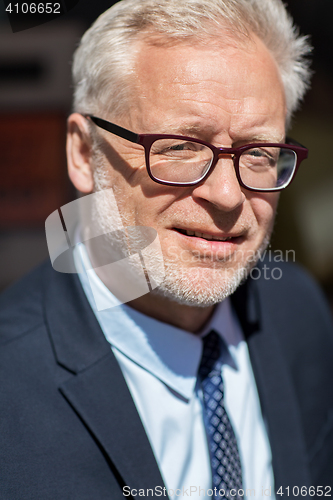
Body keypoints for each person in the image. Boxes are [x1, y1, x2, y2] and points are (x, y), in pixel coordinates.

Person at [1, 0, 333, 498]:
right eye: (180, 147)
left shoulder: (299, 313)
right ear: (84, 152)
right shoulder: (11, 385)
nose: (226, 195)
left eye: (259, 153)